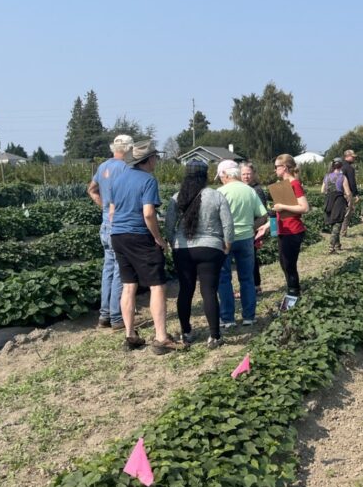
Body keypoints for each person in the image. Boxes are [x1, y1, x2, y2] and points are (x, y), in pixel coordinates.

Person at [108, 139, 177, 353]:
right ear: (147, 160)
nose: (157, 160)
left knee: (129, 285)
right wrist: (158, 238)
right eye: (155, 157)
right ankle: (161, 337)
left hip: (118, 235)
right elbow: (148, 213)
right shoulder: (148, 180)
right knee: (157, 285)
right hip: (139, 235)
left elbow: (112, 210)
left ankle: (130, 335)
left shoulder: (118, 179)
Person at [165, 159, 234, 349]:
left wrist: (174, 243)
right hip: (210, 248)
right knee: (209, 291)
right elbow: (228, 224)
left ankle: (186, 333)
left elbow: (169, 226)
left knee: (185, 290)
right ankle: (214, 336)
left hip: (183, 249)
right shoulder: (216, 195)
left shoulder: (177, 197)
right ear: (205, 176)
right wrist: (227, 245)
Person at [216, 160, 269, 328]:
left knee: (224, 279)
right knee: (247, 279)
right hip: (246, 238)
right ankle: (249, 317)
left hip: (225, 240)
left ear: (225, 175)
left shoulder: (220, 192)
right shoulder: (249, 191)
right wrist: (250, 227)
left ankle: (227, 319)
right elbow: (263, 215)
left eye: (221, 176)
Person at [87, 133, 132, 331]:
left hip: (105, 223)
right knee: (120, 270)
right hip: (120, 223)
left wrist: (104, 207)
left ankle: (104, 314)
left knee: (108, 268)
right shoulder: (126, 168)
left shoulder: (103, 166)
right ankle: (116, 317)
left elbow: (92, 189)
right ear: (129, 149)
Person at [272, 154, 310, 297]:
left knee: (289, 265)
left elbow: (305, 208)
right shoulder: (283, 185)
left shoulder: (294, 184)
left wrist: (282, 206)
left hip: (293, 230)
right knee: (284, 264)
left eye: (277, 167)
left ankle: (294, 294)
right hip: (283, 230)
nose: (275, 169)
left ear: (285, 167)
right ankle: (293, 293)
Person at [241, 163, 269, 293]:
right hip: (248, 229)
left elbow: (262, 214)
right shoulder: (243, 188)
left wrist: (259, 232)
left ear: (253, 175)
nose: (246, 176)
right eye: (243, 174)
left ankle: (255, 286)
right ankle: (254, 285)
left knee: (251, 258)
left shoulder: (256, 190)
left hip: (254, 229)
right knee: (250, 258)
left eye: (248, 174)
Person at [321, 157, 353, 253]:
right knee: (338, 222)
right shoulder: (342, 177)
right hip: (339, 200)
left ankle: (338, 245)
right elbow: (347, 192)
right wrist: (350, 202)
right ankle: (331, 246)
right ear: (341, 166)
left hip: (329, 200)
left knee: (333, 222)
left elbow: (322, 190)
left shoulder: (327, 176)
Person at [339, 149, 360, 238]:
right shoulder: (349, 168)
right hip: (347, 193)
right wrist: (356, 194)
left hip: (338, 192)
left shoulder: (339, 167)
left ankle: (337, 230)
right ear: (347, 156)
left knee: (339, 212)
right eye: (352, 157)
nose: (354, 158)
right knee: (347, 212)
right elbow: (352, 182)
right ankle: (343, 232)